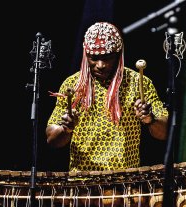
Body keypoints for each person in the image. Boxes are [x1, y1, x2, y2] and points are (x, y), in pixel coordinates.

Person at [46, 22, 168, 171]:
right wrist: (65, 129)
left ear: (118, 54)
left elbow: (165, 132)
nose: (100, 65)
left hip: (124, 180)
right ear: (85, 54)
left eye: (107, 58)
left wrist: (150, 119)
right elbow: (51, 139)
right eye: (94, 58)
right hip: (83, 179)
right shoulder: (72, 85)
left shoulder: (139, 83)